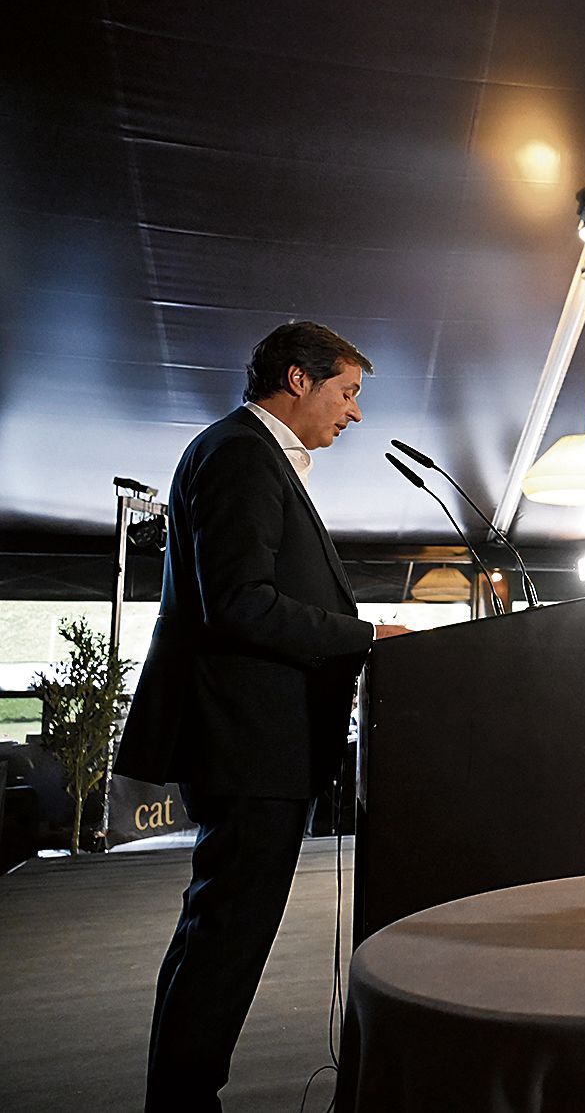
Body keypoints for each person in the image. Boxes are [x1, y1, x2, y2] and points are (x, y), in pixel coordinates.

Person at [113, 321, 407, 1113]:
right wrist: (365, 635)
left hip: (258, 744)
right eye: (347, 393)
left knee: (217, 934)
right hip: (251, 745)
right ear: (297, 378)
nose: (352, 414)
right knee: (225, 940)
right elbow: (239, 603)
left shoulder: (247, 452)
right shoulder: (243, 453)